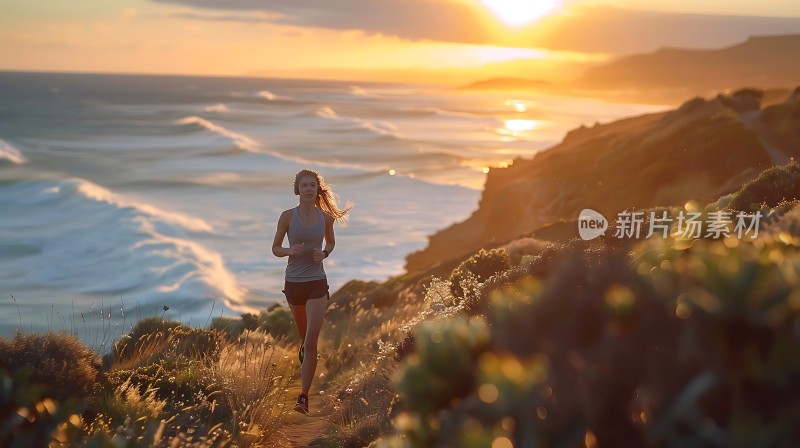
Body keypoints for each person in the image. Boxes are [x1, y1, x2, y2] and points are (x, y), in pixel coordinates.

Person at [272, 169, 352, 414]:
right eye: (304, 185)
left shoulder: (326, 218)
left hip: (317, 282)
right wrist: (289, 251)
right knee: (305, 341)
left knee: (312, 342)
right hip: (294, 284)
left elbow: (331, 241)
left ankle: (303, 397)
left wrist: (325, 253)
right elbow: (275, 248)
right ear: (297, 189)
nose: (308, 189)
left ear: (317, 189)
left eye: (312, 185)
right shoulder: (287, 216)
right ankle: (305, 353)